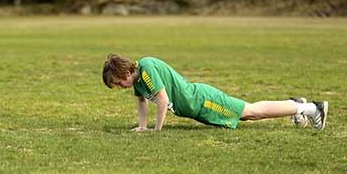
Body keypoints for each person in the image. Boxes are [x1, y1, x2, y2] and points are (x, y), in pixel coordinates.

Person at [102, 54, 328, 132]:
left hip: (204, 101)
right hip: (199, 108)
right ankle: (295, 104)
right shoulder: (139, 80)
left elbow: (163, 101)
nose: (121, 87)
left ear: (125, 70)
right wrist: (142, 126)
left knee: (251, 112)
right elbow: (142, 102)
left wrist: (156, 130)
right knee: (249, 113)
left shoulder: (147, 69)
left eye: (118, 82)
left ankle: (309, 108)